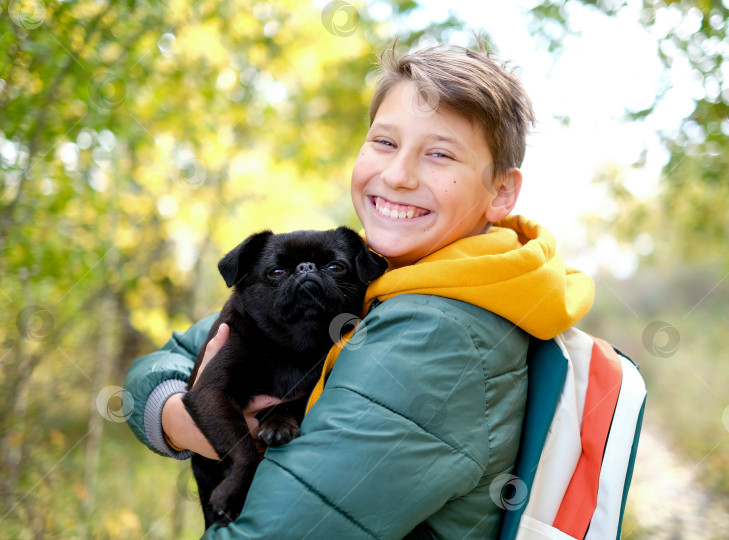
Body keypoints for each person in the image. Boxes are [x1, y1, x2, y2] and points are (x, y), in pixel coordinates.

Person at [124, 39, 594, 539]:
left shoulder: (438, 335)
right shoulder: (391, 272)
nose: (397, 175)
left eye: (439, 154)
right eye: (385, 143)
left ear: (500, 191)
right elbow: (167, 356)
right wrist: (176, 418)